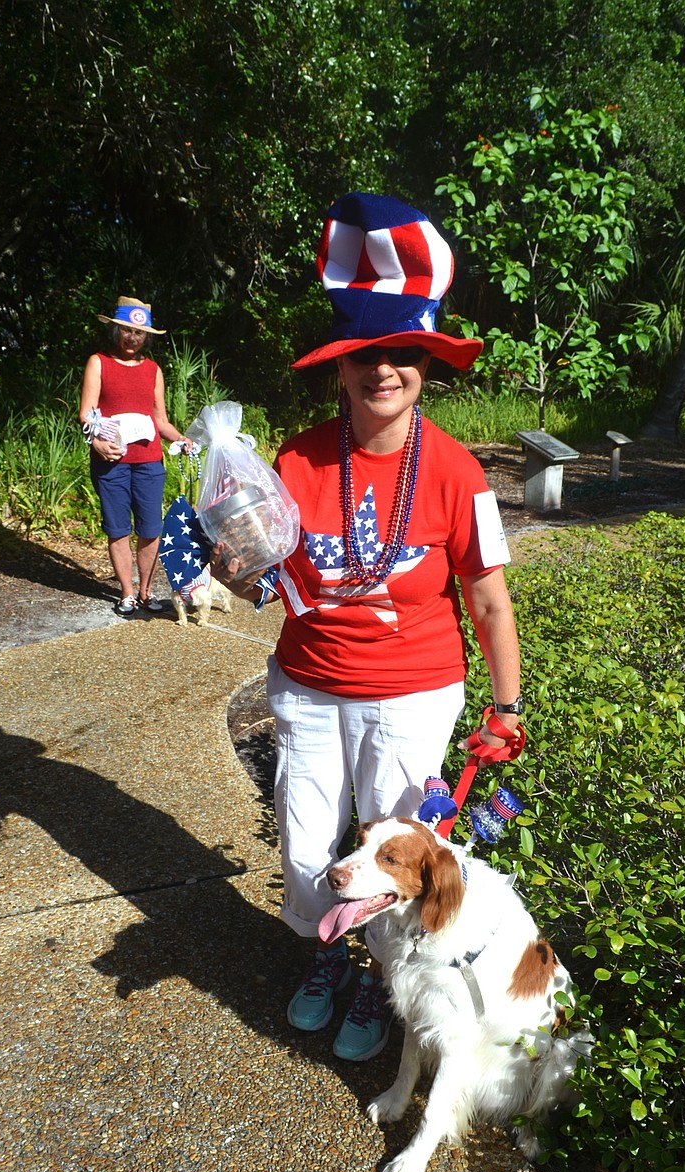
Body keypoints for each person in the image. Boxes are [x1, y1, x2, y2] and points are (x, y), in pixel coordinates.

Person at [214, 194, 522, 1061]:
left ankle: (376, 981)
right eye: (364, 357)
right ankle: (325, 954)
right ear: (339, 369)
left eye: (401, 354)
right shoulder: (296, 460)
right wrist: (233, 566)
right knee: (310, 837)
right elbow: (259, 583)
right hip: (309, 689)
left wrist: (508, 708)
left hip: (415, 693)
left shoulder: (458, 472)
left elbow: (490, 600)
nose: (382, 371)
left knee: (394, 853)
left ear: (425, 363)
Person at [79, 296, 193, 615]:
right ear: (116, 330)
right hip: (110, 463)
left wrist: (182, 439)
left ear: (146, 337)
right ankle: (126, 593)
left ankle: (146, 592)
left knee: (150, 529)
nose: (133, 338)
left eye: (139, 333)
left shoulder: (153, 370)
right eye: (127, 330)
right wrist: (96, 443)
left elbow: (160, 420)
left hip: (149, 464)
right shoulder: (98, 362)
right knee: (118, 529)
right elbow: (87, 414)